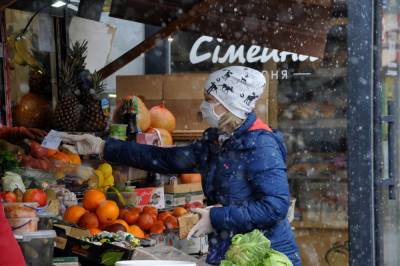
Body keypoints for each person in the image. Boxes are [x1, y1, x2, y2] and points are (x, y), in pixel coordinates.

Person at [61, 66, 301, 265]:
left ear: (228, 104)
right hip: (232, 253)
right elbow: (167, 160)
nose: (203, 106)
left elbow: (275, 207)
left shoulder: (261, 145)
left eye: (209, 100)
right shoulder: (217, 140)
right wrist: (103, 147)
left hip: (265, 255)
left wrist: (216, 218)